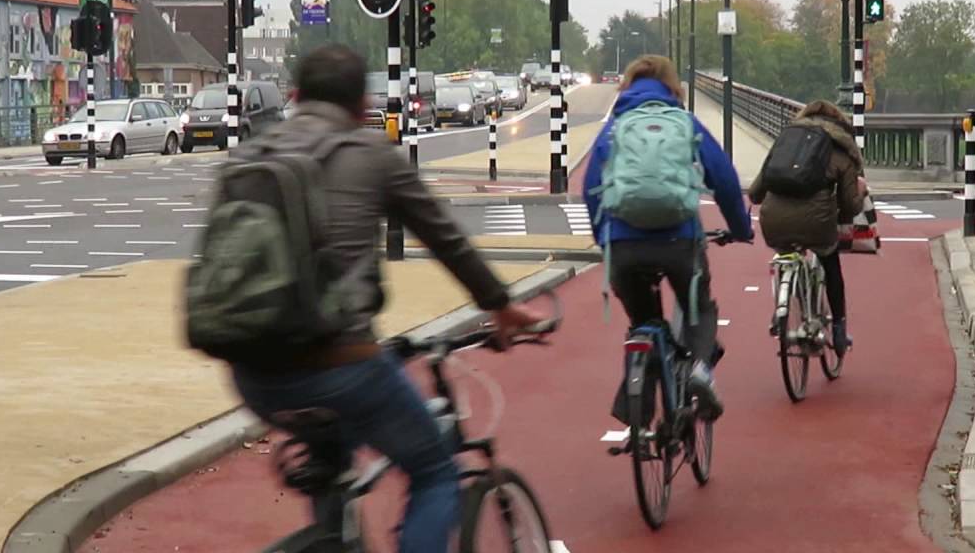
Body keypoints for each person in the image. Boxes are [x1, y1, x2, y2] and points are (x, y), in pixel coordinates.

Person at [226, 45, 545, 553]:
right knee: (435, 471)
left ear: (294, 97)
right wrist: (500, 305)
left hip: (251, 371)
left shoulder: (249, 156)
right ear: (360, 106)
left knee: (333, 461)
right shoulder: (371, 153)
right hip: (340, 361)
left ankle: (333, 535)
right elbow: (446, 239)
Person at [584, 55, 754, 420]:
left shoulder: (616, 127)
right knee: (699, 307)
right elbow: (723, 178)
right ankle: (698, 370)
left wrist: (606, 239)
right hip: (679, 241)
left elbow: (591, 187)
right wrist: (741, 229)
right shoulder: (684, 122)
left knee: (644, 320)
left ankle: (639, 415)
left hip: (624, 245)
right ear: (673, 85)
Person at [748, 100, 867, 356]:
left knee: (785, 252)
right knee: (829, 261)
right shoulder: (841, 152)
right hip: (818, 223)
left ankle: (783, 307)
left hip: (773, 222)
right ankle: (838, 328)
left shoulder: (786, 145)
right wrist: (859, 196)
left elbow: (756, 193)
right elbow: (850, 205)